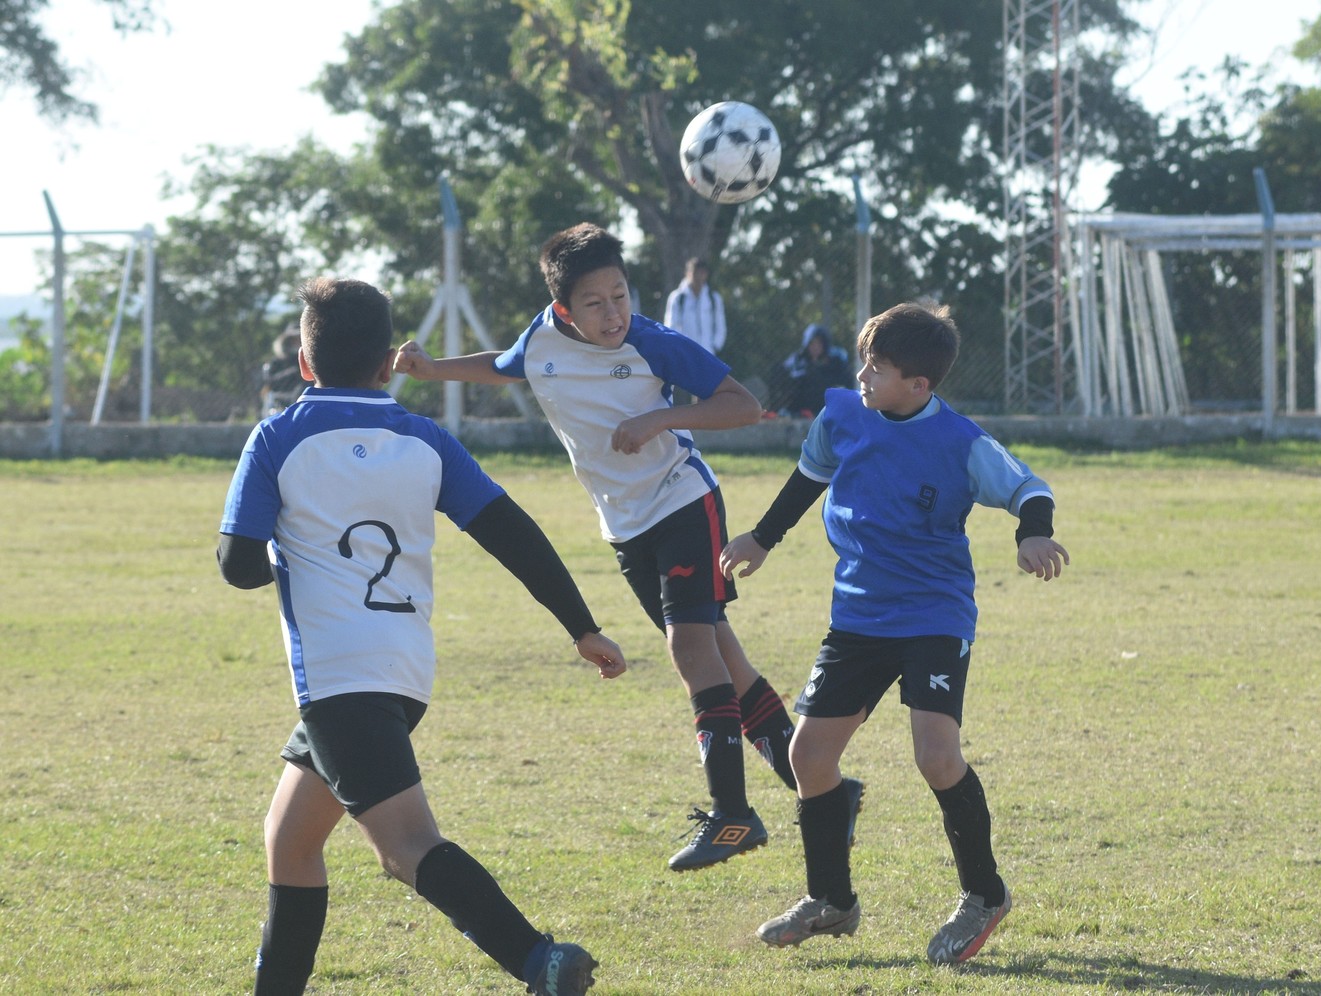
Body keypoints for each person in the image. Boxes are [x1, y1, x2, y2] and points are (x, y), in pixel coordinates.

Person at [394, 223, 855, 872]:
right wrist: (430, 369)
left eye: (620, 294)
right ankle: (825, 791)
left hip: (683, 500)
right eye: (595, 302)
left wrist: (659, 418)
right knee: (722, 655)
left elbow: (742, 406)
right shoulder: (542, 338)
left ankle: (732, 816)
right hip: (625, 525)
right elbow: (505, 366)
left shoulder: (651, 342)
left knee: (689, 645)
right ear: (563, 310)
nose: (613, 312)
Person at [218, 277, 627, 996]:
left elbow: (237, 565)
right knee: (290, 840)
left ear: (305, 365)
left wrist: (287, 552)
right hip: (403, 670)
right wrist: (581, 626)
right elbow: (511, 533)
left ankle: (539, 960)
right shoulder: (423, 438)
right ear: (386, 364)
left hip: (341, 679)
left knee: (406, 847)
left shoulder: (278, 438)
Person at [720, 302, 1070, 965]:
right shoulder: (842, 416)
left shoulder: (959, 442)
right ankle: (831, 901)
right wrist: (762, 538)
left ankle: (983, 894)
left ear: (919, 385)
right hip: (857, 615)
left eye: (877, 368)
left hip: (933, 615)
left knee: (935, 755)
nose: (861, 376)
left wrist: (1034, 535)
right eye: (863, 360)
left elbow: (1027, 487)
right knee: (808, 757)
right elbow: (808, 478)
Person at [772, 323, 854, 417]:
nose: (815, 347)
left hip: (828, 407)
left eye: (819, 343)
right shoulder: (799, 359)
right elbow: (789, 373)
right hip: (803, 408)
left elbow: (847, 383)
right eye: (812, 343)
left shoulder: (836, 361)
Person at [663, 256, 726, 357]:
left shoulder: (714, 298)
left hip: (708, 353)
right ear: (688, 273)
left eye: (702, 273)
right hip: (684, 354)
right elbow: (670, 325)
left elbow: (720, 325)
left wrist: (715, 346)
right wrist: (677, 347)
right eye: (695, 272)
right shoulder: (677, 298)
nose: (698, 277)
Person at [259, 324, 307, 414]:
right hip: (282, 400)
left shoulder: (308, 360)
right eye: (294, 339)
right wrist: (295, 372)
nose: (298, 342)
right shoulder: (277, 362)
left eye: (300, 338)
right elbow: (270, 382)